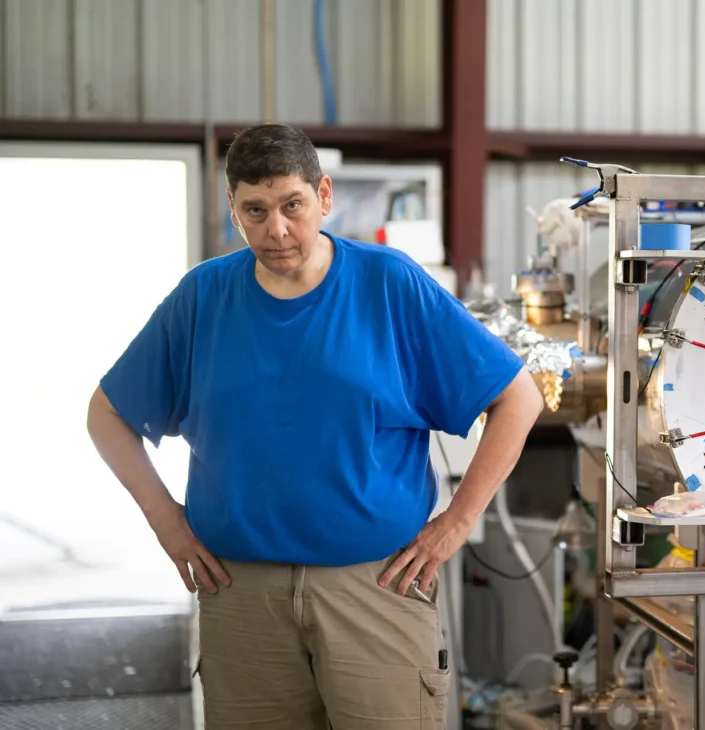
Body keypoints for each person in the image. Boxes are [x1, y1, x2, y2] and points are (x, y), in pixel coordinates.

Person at [86, 123, 543, 729]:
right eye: (255, 210)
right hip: (241, 596)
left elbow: (518, 398)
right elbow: (107, 413)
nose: (276, 230)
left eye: (292, 206)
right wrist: (165, 520)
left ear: (323, 196)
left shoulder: (389, 284)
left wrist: (457, 522)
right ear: (233, 208)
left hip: (375, 587)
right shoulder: (202, 299)